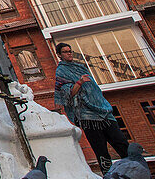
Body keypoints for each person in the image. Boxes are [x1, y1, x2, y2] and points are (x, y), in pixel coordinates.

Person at [52, 42, 129, 171]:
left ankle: (134, 170)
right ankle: (109, 177)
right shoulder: (62, 71)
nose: (69, 53)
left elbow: (94, 88)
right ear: (59, 55)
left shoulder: (80, 67)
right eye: (65, 51)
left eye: (70, 51)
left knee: (121, 142)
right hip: (88, 115)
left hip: (103, 110)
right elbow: (67, 94)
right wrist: (79, 82)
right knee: (101, 150)